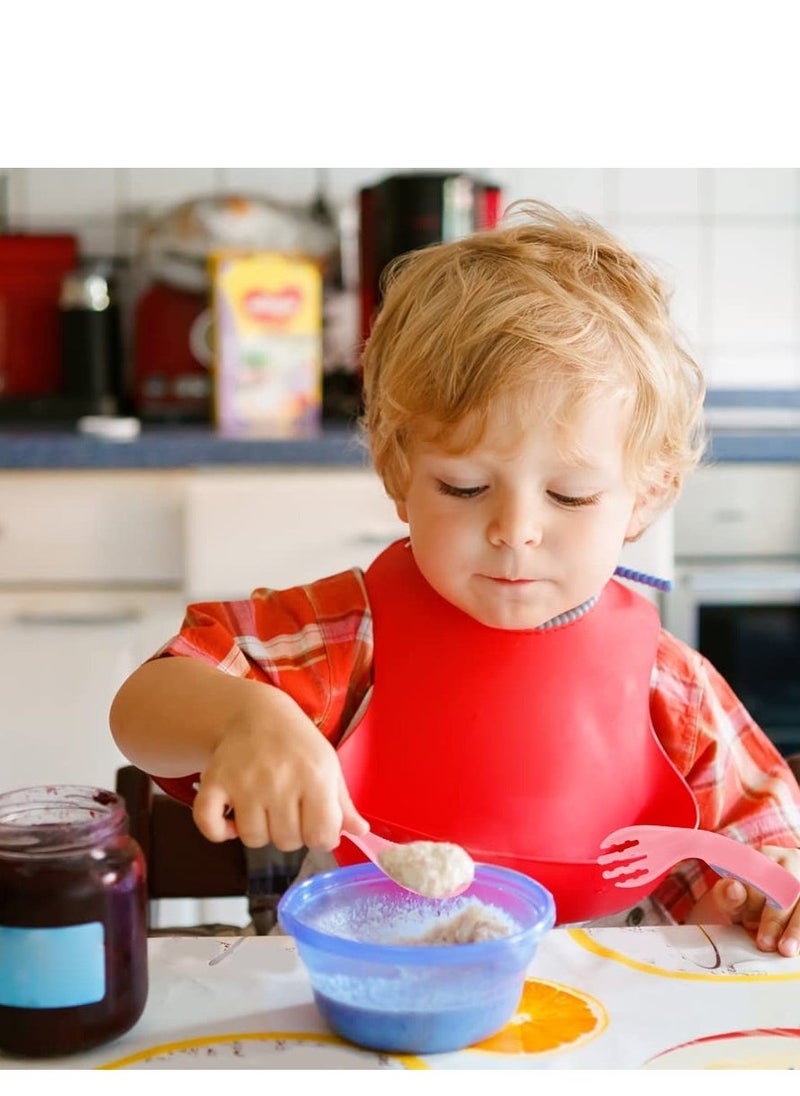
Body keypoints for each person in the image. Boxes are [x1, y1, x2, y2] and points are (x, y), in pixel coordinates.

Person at [110, 200, 800, 950]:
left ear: (649, 496)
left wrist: (774, 892)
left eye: (569, 495)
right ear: (398, 472)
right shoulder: (348, 638)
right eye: (465, 488)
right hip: (361, 1013)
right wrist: (246, 720)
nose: (514, 530)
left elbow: (762, 855)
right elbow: (143, 705)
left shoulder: (673, 693)